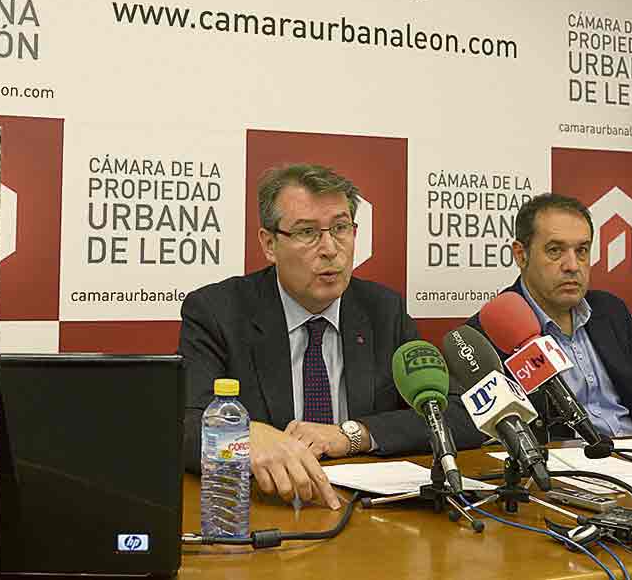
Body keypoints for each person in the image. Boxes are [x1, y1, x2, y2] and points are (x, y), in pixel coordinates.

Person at [179, 163, 484, 510]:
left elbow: (459, 414)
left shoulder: (383, 311)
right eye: (308, 232)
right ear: (269, 244)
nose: (330, 248)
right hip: (265, 513)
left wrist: (353, 435)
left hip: (368, 519)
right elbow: (184, 424)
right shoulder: (218, 312)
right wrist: (244, 437)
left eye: (340, 228)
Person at [468, 193, 632, 441]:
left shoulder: (610, 312)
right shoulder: (488, 333)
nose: (572, 265)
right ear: (521, 255)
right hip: (567, 469)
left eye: (582, 250)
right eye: (555, 250)